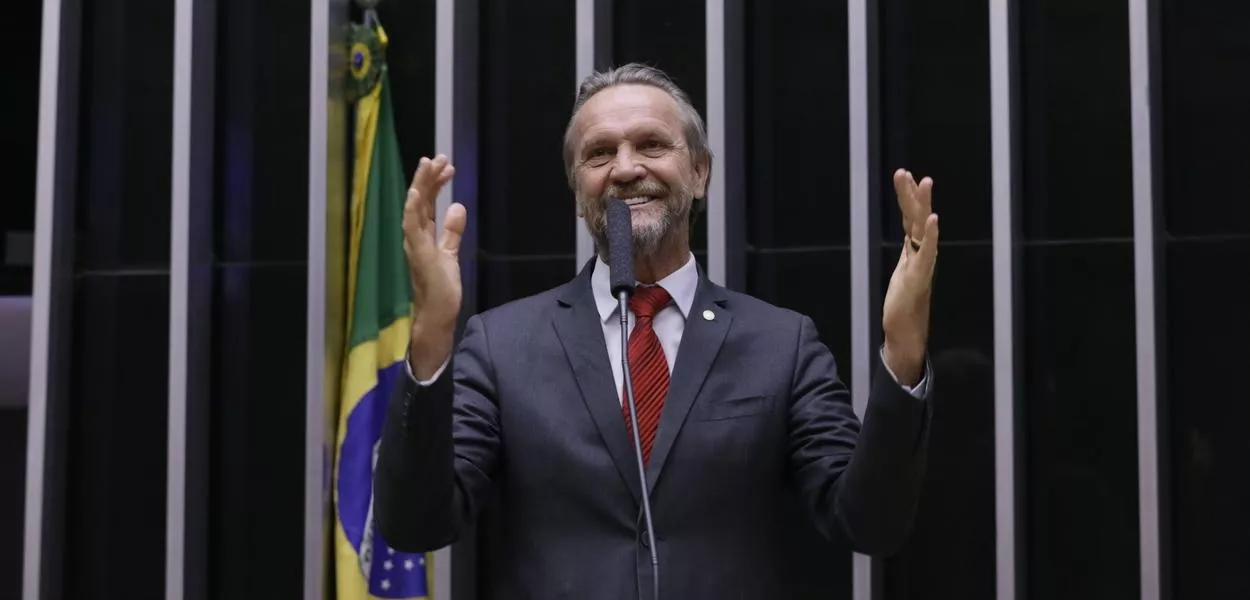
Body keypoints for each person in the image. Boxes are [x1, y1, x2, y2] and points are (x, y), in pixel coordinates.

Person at [374, 63, 941, 599]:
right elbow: (417, 523)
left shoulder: (781, 344)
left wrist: (904, 351)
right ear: (578, 192)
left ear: (699, 173)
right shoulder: (501, 344)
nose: (625, 168)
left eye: (651, 144)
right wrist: (431, 333)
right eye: (599, 153)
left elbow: (869, 523)